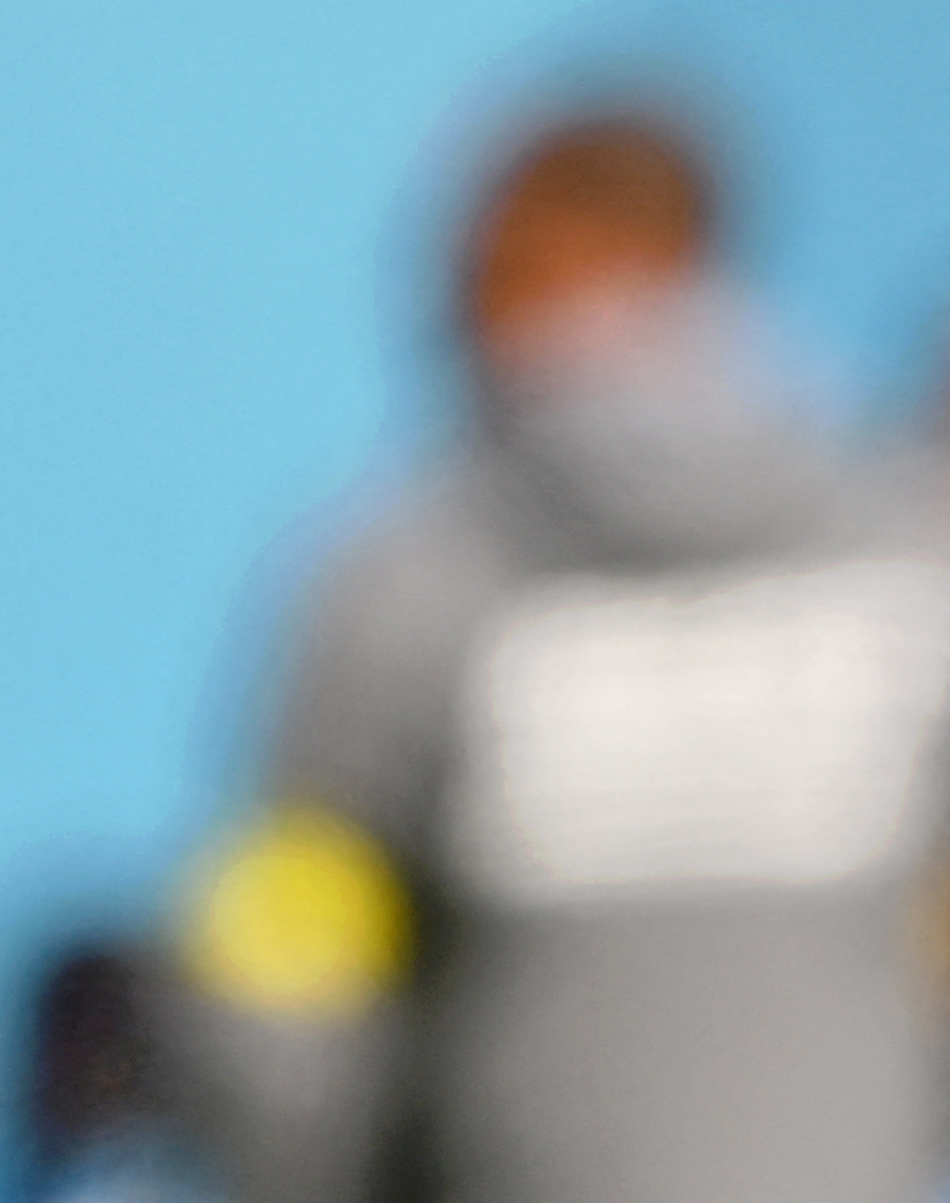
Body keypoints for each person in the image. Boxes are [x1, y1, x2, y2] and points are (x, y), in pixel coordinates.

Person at [181, 102, 950, 1203]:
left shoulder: (403, 575)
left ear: (507, 275)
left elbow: (279, 978)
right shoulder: (905, 554)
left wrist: (298, 1168)